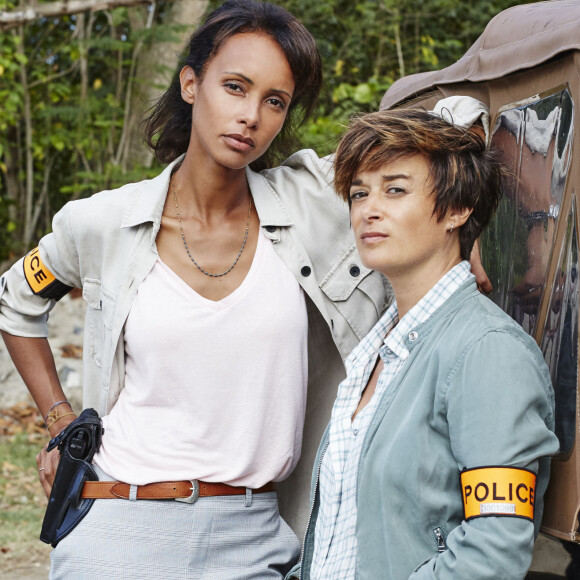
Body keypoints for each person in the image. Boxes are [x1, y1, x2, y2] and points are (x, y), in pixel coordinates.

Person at [0, 1, 390, 577]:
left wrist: (466, 229)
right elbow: (16, 299)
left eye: (274, 101)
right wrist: (60, 421)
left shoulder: (313, 205)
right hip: (116, 529)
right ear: (191, 83)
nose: (251, 115)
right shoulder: (105, 223)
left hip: (256, 535)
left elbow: (452, 119)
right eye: (235, 86)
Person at [289, 108, 559, 580]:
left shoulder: (489, 352)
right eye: (358, 193)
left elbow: (493, 551)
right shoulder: (376, 350)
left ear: (458, 209)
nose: (369, 209)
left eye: (395, 189)